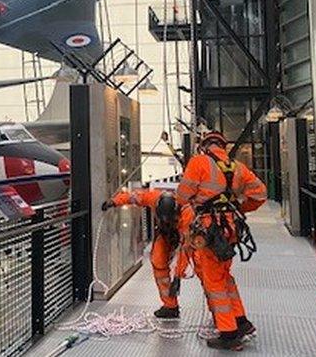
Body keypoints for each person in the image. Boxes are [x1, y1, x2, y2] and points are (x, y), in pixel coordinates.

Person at [176, 131, 267, 350]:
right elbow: (261, 194)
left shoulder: (199, 162)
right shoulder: (238, 167)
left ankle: (229, 333)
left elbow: (182, 196)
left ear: (204, 146)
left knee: (214, 281)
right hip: (231, 228)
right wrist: (239, 208)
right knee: (225, 276)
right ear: (223, 146)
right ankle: (241, 321)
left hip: (209, 230)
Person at [103, 187, 194, 318]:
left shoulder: (187, 212)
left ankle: (222, 316)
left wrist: (178, 275)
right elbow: (132, 196)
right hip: (164, 234)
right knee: (158, 261)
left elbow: (187, 246)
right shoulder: (153, 197)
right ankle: (170, 306)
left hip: (184, 236)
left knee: (203, 269)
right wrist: (114, 201)